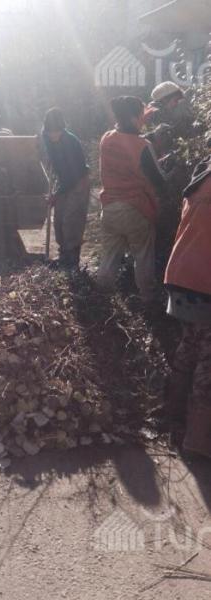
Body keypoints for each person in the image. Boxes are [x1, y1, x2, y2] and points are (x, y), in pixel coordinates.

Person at [97, 96, 168, 303]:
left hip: (109, 208)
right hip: (136, 208)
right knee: (143, 256)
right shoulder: (142, 145)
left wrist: (140, 119)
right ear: (135, 117)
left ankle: (100, 298)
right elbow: (159, 180)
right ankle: (148, 300)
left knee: (110, 257)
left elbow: (126, 138)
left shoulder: (107, 139)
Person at [164, 149, 211, 459]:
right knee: (208, 361)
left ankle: (173, 417)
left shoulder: (203, 174)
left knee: (190, 345)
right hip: (204, 279)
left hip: (181, 274)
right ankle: (197, 441)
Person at [42, 107, 90, 269]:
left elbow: (73, 176)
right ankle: (63, 255)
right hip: (62, 180)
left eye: (56, 132)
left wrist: (56, 195)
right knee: (59, 220)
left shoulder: (71, 142)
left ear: (62, 129)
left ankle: (72, 261)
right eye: (50, 132)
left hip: (78, 182)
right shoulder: (46, 137)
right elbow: (52, 159)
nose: (53, 135)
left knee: (71, 221)